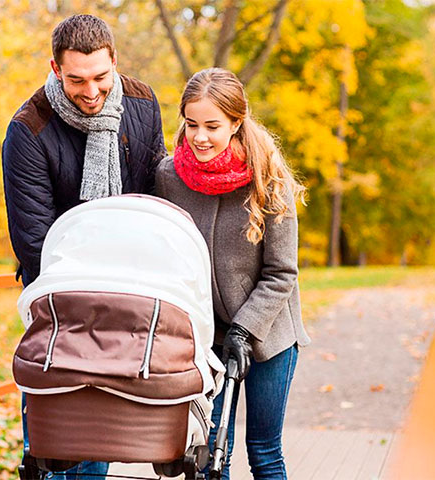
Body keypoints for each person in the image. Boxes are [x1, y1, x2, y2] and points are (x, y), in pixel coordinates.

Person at [1, 14, 166, 480]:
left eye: (100, 77)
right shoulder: (28, 130)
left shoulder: (141, 100)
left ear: (114, 60)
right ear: (55, 69)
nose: (91, 92)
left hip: (128, 288)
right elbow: (34, 241)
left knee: (102, 430)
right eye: (76, 80)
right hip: (60, 292)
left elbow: (152, 193)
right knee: (59, 439)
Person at [156, 68, 311, 480]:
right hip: (206, 338)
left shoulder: (268, 182)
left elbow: (282, 273)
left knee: (263, 451)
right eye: (191, 125)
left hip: (269, 334)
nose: (200, 137)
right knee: (208, 455)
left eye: (212, 126)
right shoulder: (169, 177)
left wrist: (245, 330)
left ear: (236, 123)